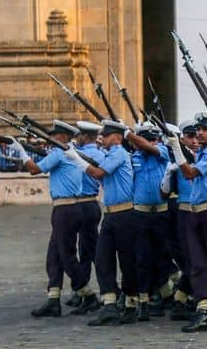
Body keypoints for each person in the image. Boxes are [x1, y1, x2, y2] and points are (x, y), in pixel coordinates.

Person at [8, 120, 89, 319]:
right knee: (54, 256)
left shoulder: (60, 153)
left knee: (66, 257)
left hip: (65, 210)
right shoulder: (70, 152)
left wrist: (22, 151)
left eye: (54, 135)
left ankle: (88, 294)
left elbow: (35, 169)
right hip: (67, 209)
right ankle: (53, 299)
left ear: (62, 137)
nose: (51, 138)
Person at [65, 120, 139, 326]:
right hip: (110, 215)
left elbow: (98, 173)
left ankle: (131, 304)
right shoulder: (109, 155)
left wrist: (75, 158)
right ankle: (109, 305)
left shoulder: (118, 153)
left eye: (105, 136)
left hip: (125, 215)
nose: (102, 139)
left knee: (127, 262)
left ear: (116, 137)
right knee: (102, 258)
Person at [167, 112, 207, 332]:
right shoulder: (204, 152)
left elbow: (190, 173)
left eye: (205, 130)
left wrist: (176, 149)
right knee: (199, 262)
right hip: (196, 214)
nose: (200, 134)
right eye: (198, 130)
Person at [125, 121, 171, 321]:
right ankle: (143, 299)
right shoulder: (133, 158)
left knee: (162, 257)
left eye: (153, 138)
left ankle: (160, 295)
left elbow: (149, 148)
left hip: (161, 212)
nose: (151, 142)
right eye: (147, 138)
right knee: (142, 258)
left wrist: (128, 134)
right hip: (141, 214)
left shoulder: (161, 153)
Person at [161, 120, 198, 321]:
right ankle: (185, 298)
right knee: (188, 258)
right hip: (183, 213)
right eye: (189, 137)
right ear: (182, 139)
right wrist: (168, 173)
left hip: (206, 213)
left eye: (196, 136)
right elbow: (166, 192)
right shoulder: (177, 159)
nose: (193, 141)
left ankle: (185, 297)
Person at [66, 121, 104, 315]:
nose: (77, 137)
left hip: (86, 203)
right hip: (86, 204)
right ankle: (82, 290)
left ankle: (106, 290)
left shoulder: (91, 155)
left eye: (79, 134)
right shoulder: (95, 152)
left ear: (85, 136)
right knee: (86, 250)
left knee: (93, 251)